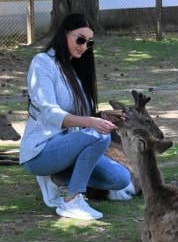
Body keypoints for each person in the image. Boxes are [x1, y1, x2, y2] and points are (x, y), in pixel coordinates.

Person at [19, 14, 132, 220]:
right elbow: (49, 111)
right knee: (99, 136)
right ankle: (73, 200)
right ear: (64, 34)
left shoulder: (75, 69)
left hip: (69, 149)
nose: (84, 46)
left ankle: (59, 179)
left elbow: (80, 115)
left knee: (121, 178)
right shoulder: (43, 63)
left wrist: (102, 116)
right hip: (41, 151)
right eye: (80, 39)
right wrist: (91, 122)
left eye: (89, 42)